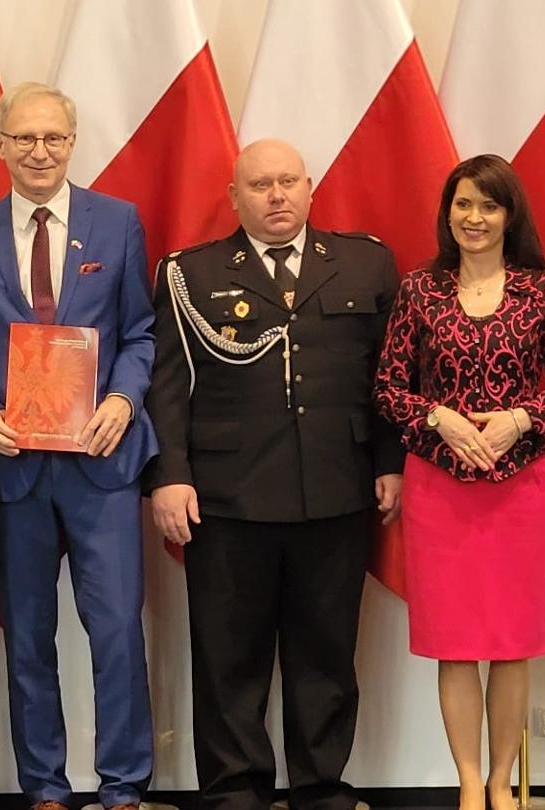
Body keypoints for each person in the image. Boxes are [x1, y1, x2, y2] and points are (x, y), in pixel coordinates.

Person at [146, 138, 404, 810]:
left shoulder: (363, 263)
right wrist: (168, 474)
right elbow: (167, 386)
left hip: (335, 487)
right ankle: (235, 790)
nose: (277, 195)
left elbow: (387, 374)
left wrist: (390, 463)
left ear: (311, 186)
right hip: (228, 496)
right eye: (259, 185)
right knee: (229, 656)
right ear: (235, 198)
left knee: (326, 652)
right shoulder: (190, 274)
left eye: (288, 181)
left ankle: (320, 788)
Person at [0, 81, 156, 810]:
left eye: (54, 138)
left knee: (118, 632)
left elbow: (140, 333)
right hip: (16, 468)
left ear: (71, 143)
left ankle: (124, 786)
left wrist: (124, 399)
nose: (40, 151)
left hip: (102, 463)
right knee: (27, 636)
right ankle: (46, 786)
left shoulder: (118, 221)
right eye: (25, 138)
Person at [373, 154, 545, 810]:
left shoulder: (543, 289)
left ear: (509, 213)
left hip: (521, 490)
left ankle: (501, 783)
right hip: (439, 489)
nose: (473, 217)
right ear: (448, 213)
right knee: (456, 646)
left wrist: (521, 419)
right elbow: (387, 386)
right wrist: (438, 417)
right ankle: (469, 782)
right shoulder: (419, 290)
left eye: (487, 205)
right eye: (462, 204)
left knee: (513, 644)